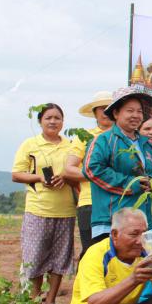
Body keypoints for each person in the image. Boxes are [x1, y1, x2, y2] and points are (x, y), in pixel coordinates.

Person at [12, 103, 77, 304]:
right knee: (35, 256)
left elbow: (76, 173)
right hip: (37, 209)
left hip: (65, 210)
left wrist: (65, 178)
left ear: (63, 122)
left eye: (57, 118)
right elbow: (16, 174)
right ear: (40, 121)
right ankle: (34, 300)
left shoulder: (70, 146)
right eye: (48, 117)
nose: (53, 121)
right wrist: (40, 177)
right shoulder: (30, 144)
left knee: (60, 258)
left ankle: (51, 302)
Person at [83, 87, 152, 242]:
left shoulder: (146, 145)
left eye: (139, 111)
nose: (135, 115)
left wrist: (151, 182)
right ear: (116, 113)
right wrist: (130, 184)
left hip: (142, 219)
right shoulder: (104, 140)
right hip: (110, 220)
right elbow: (92, 169)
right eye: (130, 110)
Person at [63, 91, 114, 260]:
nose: (105, 112)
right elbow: (69, 169)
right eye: (101, 109)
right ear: (94, 113)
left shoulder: (124, 137)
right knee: (91, 253)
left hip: (119, 202)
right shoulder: (84, 137)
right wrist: (98, 175)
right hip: (90, 202)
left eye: (109, 108)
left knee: (117, 253)